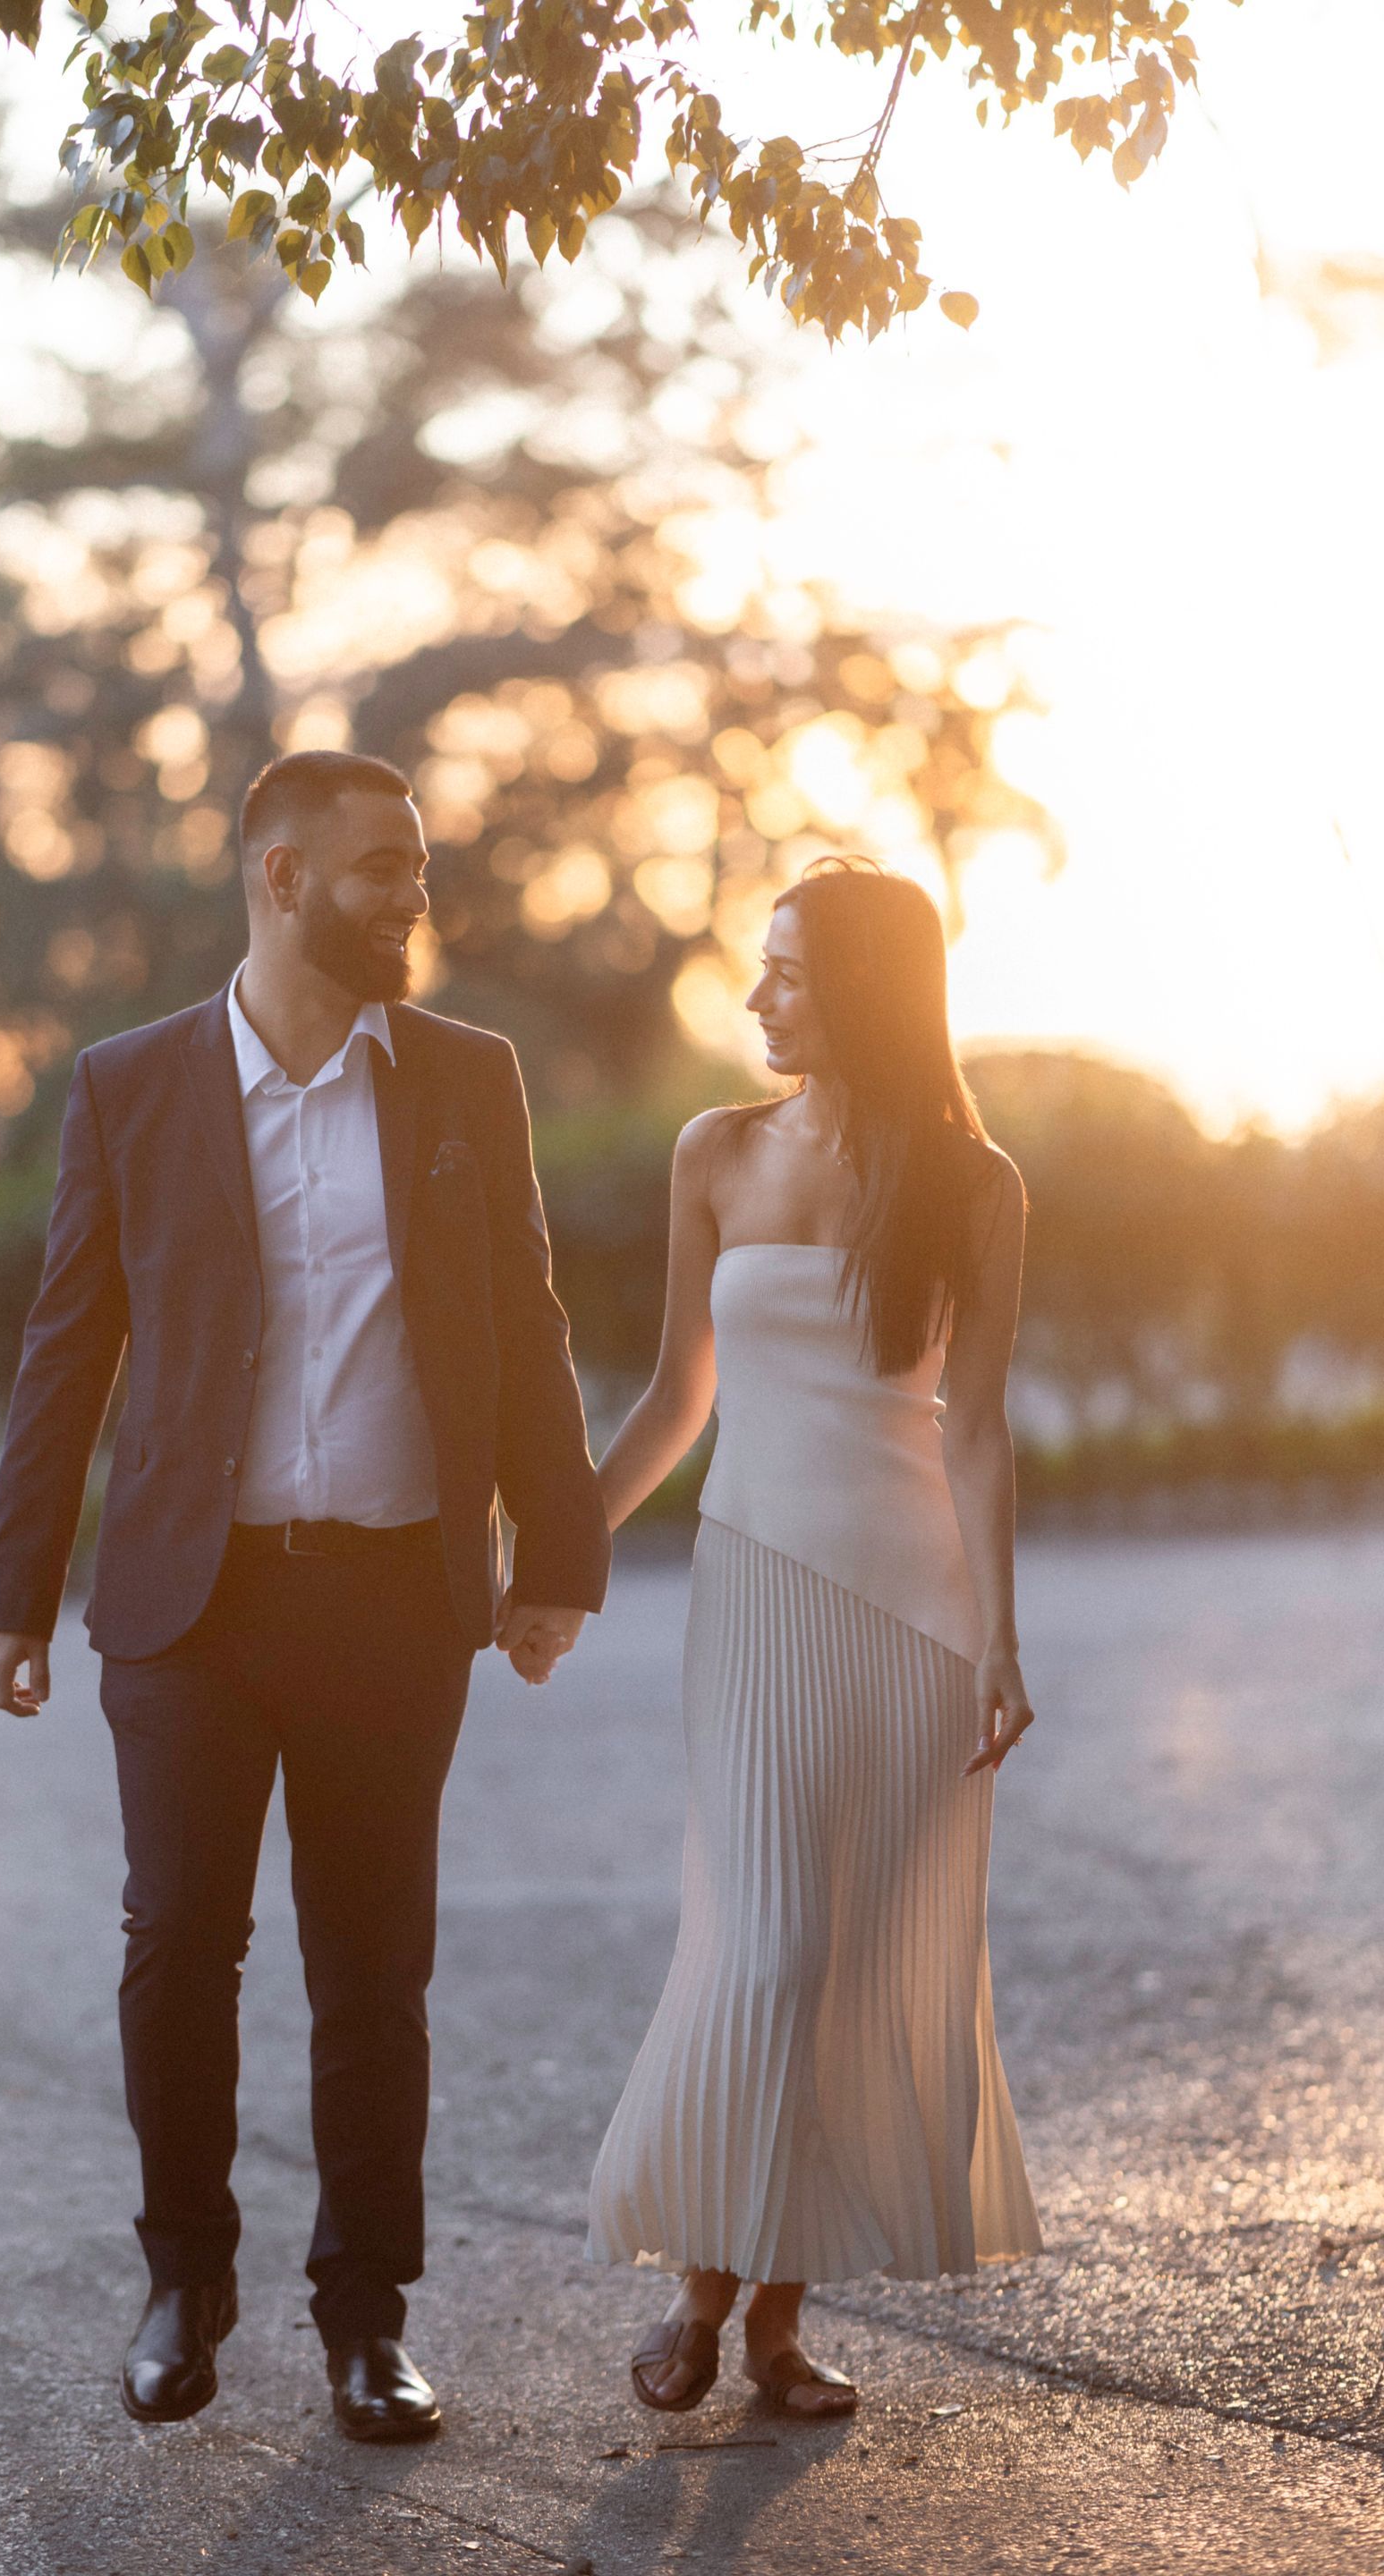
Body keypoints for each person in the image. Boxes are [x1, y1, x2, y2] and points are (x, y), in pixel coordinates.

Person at [0, 750, 608, 2442]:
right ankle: (186, 2277)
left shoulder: (470, 1079)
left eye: (418, 865)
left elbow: (527, 1325)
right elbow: (68, 1347)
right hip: (194, 1602)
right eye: (383, 867)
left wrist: (556, 1558)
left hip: (401, 1597)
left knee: (372, 1966)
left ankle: (366, 2318)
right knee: (179, 1942)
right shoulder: (132, 1085)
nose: (415, 894)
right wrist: (15, 1591)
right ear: (280, 876)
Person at [587, 855, 1042, 2419]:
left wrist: (998, 1635)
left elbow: (974, 1429)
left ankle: (765, 2324)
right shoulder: (714, 1154)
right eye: (760, 965)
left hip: (919, 1616)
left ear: (863, 990)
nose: (761, 993)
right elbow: (672, 1400)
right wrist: (557, 1550)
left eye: (787, 970)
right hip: (759, 1589)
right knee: (769, 1948)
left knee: (856, 1973)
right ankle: (710, 2287)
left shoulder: (976, 1187)